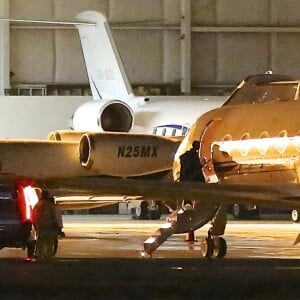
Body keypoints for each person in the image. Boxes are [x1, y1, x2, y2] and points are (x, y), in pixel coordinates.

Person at [32, 190, 59, 260]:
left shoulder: (37, 205)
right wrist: (56, 226)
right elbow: (54, 216)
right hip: (50, 226)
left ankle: (40, 256)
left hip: (41, 227)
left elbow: (34, 216)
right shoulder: (50, 205)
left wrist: (35, 225)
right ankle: (48, 257)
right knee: (49, 244)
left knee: (40, 243)